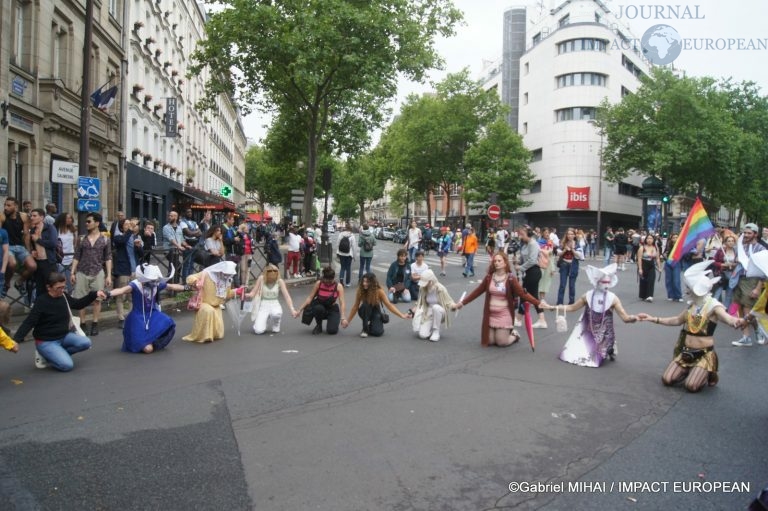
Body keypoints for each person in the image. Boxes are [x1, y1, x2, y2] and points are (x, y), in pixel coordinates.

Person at [637, 260, 745, 392]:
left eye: (688, 288)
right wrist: (652, 318)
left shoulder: (714, 306)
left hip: (704, 354)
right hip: (686, 352)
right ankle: (691, 369)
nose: (686, 291)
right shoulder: (692, 306)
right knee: (667, 379)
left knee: (691, 386)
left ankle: (709, 372)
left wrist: (736, 321)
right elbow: (677, 320)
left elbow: (727, 318)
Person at [542, 264, 638, 367]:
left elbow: (624, 317)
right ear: (597, 282)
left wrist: (632, 318)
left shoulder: (613, 298)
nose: (605, 285)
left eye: (607, 282)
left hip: (605, 333)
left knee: (596, 358)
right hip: (587, 331)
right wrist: (552, 307)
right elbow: (572, 307)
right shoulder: (588, 296)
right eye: (603, 282)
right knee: (572, 354)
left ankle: (610, 349)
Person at [14, 272, 106, 371]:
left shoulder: (64, 296)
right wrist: (16, 340)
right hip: (46, 341)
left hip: (64, 336)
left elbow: (78, 304)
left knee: (86, 343)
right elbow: (29, 322)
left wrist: (94, 294)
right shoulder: (41, 301)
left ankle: (54, 355)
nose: (62, 290)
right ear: (49, 287)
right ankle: (45, 353)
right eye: (59, 288)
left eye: (64, 287)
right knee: (67, 365)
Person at [453, 252, 541, 347]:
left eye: (499, 261)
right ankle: (501, 333)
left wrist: (538, 303)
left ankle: (515, 335)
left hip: (504, 315)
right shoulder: (489, 278)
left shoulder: (511, 278)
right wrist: (462, 303)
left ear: (505, 263)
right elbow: (477, 292)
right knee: (489, 341)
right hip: (491, 315)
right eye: (495, 261)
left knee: (501, 342)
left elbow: (523, 293)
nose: (496, 263)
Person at [108, 264, 186, 353]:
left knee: (168, 322)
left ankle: (150, 340)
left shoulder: (156, 285)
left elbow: (172, 286)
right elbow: (122, 290)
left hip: (152, 315)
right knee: (147, 349)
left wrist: (187, 287)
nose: (155, 282)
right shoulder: (135, 285)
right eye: (152, 280)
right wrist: (108, 293)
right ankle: (143, 341)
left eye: (156, 280)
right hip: (137, 318)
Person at [71, 213, 112, 336]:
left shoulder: (105, 239)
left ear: (97, 223)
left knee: (98, 299)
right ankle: (83, 324)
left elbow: (108, 257)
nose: (86, 223)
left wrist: (108, 275)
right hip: (82, 272)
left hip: (98, 271)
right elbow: (76, 256)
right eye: (86, 221)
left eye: (89, 221)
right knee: (80, 299)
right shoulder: (82, 238)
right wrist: (72, 272)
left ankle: (95, 323)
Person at [182, 261, 238, 343]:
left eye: (229, 274)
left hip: (216, 305)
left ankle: (212, 334)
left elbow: (227, 295)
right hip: (204, 303)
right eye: (226, 273)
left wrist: (237, 291)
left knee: (219, 334)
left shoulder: (228, 280)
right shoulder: (207, 274)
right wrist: (196, 282)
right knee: (209, 311)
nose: (227, 275)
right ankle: (204, 335)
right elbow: (190, 278)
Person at [731, 223, 766, 346]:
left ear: (755, 234)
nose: (745, 235)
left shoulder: (762, 249)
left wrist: (757, 288)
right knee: (740, 307)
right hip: (739, 279)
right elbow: (738, 263)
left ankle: (749, 335)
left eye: (749, 233)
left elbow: (764, 271)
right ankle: (752, 333)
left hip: (752, 280)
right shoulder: (741, 247)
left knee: (747, 309)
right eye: (744, 233)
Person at [344, 272, 409, 337]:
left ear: (372, 283)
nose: (364, 284)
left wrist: (402, 315)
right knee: (366, 305)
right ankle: (365, 328)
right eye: (363, 281)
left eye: (367, 282)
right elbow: (355, 306)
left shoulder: (379, 291)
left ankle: (371, 325)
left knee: (377, 332)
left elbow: (389, 305)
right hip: (364, 311)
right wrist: (348, 321)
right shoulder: (360, 290)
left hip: (375, 310)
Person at [247, 264, 297, 334]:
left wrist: (292, 309)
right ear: (266, 273)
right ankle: (265, 319)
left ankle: (276, 323)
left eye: (275, 272)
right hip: (264, 304)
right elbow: (253, 293)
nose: (272, 274)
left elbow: (287, 296)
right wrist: (243, 294)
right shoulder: (261, 279)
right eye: (270, 272)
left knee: (276, 314)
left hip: (274, 303)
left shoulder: (279, 281)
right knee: (258, 331)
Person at [514, 227, 547, 329]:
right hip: (529, 273)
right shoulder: (526, 244)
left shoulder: (533, 244)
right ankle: (520, 319)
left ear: (528, 234)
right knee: (527, 296)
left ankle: (539, 320)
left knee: (527, 296)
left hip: (533, 272)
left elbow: (532, 260)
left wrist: (520, 267)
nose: (521, 236)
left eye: (522, 234)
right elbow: (524, 258)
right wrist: (518, 261)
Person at [410, 269, 457, 342]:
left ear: (431, 281)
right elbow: (420, 301)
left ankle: (436, 331)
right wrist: (412, 311)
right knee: (422, 335)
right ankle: (431, 327)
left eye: (425, 282)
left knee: (436, 307)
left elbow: (449, 302)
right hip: (428, 312)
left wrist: (454, 306)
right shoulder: (423, 289)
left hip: (440, 311)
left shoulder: (440, 289)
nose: (423, 284)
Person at [297, 266, 346, 335]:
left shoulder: (338, 286)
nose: (328, 283)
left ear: (333, 278)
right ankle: (319, 325)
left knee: (332, 331)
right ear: (324, 278)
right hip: (320, 308)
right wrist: (299, 310)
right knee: (318, 308)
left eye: (330, 281)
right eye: (326, 281)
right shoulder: (319, 284)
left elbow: (342, 302)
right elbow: (310, 298)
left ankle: (332, 322)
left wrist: (343, 318)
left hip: (332, 309)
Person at [3, 197, 36, 296]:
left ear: (15, 207)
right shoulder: (2, 216)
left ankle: (19, 282)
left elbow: (26, 234)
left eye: (9, 205)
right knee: (12, 263)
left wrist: (28, 249)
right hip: (8, 246)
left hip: (20, 246)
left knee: (32, 266)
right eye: (5, 205)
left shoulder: (23, 216)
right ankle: (7, 283)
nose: (5, 207)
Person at [29, 208, 58, 298]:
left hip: (48, 262)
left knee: (51, 287)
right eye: (31, 216)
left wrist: (38, 240)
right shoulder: (32, 230)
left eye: (34, 216)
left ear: (41, 217)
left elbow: (53, 243)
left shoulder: (50, 228)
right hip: (38, 262)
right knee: (39, 288)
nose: (32, 218)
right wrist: (32, 251)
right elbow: (32, 246)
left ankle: (52, 309)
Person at [556, 228, 584, 306]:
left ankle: (571, 302)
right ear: (566, 235)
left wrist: (572, 249)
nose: (570, 236)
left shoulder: (577, 244)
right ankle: (560, 302)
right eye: (568, 234)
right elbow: (558, 253)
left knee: (572, 285)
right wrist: (565, 249)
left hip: (573, 265)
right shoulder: (563, 243)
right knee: (562, 284)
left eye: (571, 234)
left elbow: (580, 255)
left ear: (574, 235)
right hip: (564, 265)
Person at [712, 233, 737, 309]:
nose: (731, 242)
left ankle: (725, 310)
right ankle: (713, 309)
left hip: (732, 275)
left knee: (729, 294)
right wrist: (722, 265)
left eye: (732, 241)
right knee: (717, 293)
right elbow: (714, 261)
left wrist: (734, 264)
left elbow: (739, 263)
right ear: (725, 242)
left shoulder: (736, 251)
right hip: (722, 274)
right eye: (729, 241)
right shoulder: (721, 250)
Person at [162, 211, 188, 285]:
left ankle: (171, 283)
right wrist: (179, 247)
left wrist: (186, 245)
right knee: (176, 265)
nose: (170, 217)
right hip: (169, 250)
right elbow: (171, 239)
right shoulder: (166, 227)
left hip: (176, 250)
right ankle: (172, 283)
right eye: (169, 216)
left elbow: (182, 239)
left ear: (176, 217)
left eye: (172, 216)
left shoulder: (179, 228)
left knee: (175, 266)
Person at [54, 213, 78, 293]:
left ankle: (70, 297)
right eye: (67, 218)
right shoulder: (56, 230)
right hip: (60, 258)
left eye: (71, 218)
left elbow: (74, 243)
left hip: (70, 257)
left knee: (70, 280)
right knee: (61, 279)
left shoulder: (72, 230)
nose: (69, 220)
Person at [180, 208, 203, 280]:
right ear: (184, 213)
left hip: (195, 243)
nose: (190, 213)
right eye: (188, 212)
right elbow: (188, 233)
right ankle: (185, 281)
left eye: (190, 212)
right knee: (187, 263)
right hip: (187, 243)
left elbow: (200, 233)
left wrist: (193, 233)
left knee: (192, 263)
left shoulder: (194, 222)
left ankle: (190, 280)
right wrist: (195, 233)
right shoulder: (182, 222)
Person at [637, 233, 661, 302]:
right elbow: (639, 258)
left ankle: (650, 296)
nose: (649, 240)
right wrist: (640, 268)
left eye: (651, 238)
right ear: (645, 239)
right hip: (643, 264)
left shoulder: (656, 248)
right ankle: (643, 295)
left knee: (651, 280)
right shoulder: (642, 248)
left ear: (653, 240)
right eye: (648, 238)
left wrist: (659, 267)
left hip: (651, 266)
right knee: (644, 281)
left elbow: (657, 258)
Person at [662, 233, 684, 302]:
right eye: (673, 237)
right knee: (668, 280)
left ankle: (678, 296)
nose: (675, 238)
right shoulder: (668, 245)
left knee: (676, 280)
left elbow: (683, 255)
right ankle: (670, 295)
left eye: (676, 237)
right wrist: (664, 255)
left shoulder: (680, 246)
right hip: (668, 263)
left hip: (676, 263)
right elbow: (664, 253)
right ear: (671, 239)